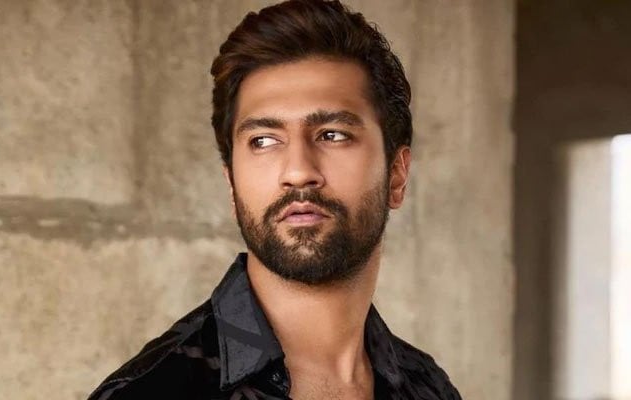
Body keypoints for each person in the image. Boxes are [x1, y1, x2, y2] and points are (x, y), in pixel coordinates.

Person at [88, 0, 461, 399]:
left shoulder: (429, 388)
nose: (298, 171)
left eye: (333, 134)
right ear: (232, 184)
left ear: (397, 175)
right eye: (264, 141)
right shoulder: (152, 393)